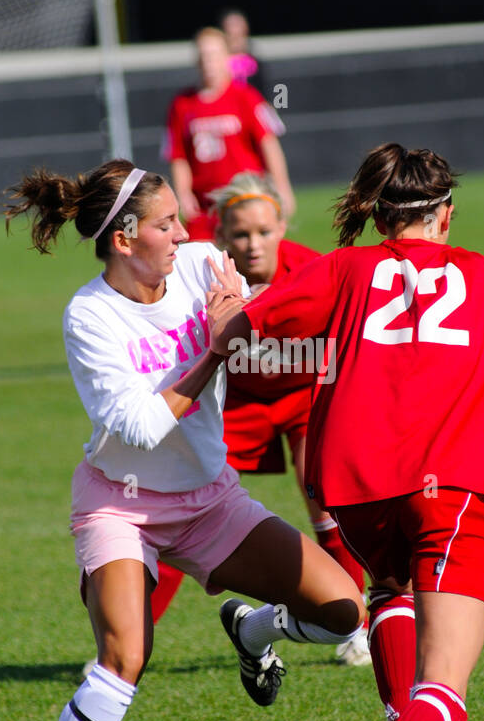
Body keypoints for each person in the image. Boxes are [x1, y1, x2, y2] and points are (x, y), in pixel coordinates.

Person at [1, 161, 365, 721]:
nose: (184, 231)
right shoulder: (89, 315)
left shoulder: (200, 263)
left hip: (209, 500)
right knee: (124, 658)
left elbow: (246, 312)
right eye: (166, 222)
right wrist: (212, 349)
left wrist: (240, 317)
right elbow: (139, 425)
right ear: (126, 237)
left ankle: (253, 627)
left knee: (343, 612)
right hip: (120, 505)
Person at [211, 144, 484, 721]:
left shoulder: (339, 270)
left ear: (374, 216)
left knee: (390, 591)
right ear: (446, 213)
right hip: (449, 488)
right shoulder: (479, 273)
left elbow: (241, 333)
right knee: (447, 682)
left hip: (357, 491)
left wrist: (225, 312)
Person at [147, 172, 371, 668]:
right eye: (241, 234)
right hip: (238, 404)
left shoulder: (313, 270)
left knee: (329, 501)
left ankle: (358, 625)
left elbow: (355, 337)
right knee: (186, 508)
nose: (253, 244)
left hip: (305, 397)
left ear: (282, 225)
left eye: (265, 232)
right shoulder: (203, 273)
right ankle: (133, 638)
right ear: (221, 234)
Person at [163, 26, 295, 240]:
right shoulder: (182, 104)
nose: (208, 62)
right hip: (205, 205)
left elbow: (268, 144)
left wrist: (282, 186)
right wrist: (183, 194)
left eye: (213, 55)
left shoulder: (246, 97)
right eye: (203, 56)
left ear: (227, 57)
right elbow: (178, 156)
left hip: (245, 197)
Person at [219, 7, 266, 94]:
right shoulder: (219, 63)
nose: (233, 30)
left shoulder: (255, 61)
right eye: (229, 25)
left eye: (236, 25)